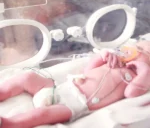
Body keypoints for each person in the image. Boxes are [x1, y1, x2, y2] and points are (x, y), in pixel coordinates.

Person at [1, 40, 150, 128]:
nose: (135, 51)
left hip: (74, 106)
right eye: (136, 46)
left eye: (143, 51)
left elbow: (131, 94)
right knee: (28, 77)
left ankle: (10, 124)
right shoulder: (114, 63)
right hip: (59, 88)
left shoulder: (134, 76)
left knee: (42, 114)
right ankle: (3, 92)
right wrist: (102, 56)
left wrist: (143, 72)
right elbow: (88, 70)